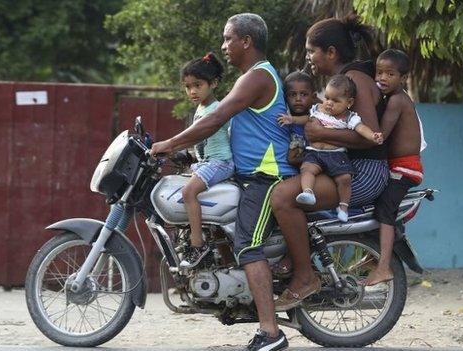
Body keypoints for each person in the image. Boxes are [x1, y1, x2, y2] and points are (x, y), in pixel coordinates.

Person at [150, 13, 291, 351]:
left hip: (267, 176)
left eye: (229, 39)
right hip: (249, 174)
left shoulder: (256, 78)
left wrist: (169, 144)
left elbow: (215, 119)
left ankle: (271, 333)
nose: (224, 46)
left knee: (246, 244)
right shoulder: (249, 78)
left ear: (247, 41)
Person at [271, 16, 389, 312]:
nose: (309, 58)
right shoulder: (345, 80)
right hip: (343, 164)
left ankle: (304, 277)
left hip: (363, 172)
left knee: (284, 198)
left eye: (312, 51)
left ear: (331, 52)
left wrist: (321, 132)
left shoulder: (355, 80)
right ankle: (295, 258)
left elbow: (371, 137)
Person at [278, 75, 383, 223]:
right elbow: (306, 118)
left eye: (335, 101)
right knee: (307, 170)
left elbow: (361, 129)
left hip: (336, 155)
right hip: (314, 153)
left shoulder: (349, 117)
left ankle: (343, 207)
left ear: (349, 103)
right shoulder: (318, 109)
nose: (329, 103)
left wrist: (373, 136)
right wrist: (292, 119)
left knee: (345, 178)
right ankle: (308, 192)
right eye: (327, 98)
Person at [364, 49, 424, 286]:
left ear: (403, 78)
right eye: (379, 72)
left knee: (385, 211)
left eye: (390, 74)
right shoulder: (392, 99)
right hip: (397, 167)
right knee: (373, 208)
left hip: (405, 168)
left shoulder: (397, 100)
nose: (383, 78)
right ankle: (375, 255)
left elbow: (380, 134)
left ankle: (383, 267)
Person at [178, 52, 234, 268]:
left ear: (214, 83)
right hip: (206, 162)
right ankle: (227, 262)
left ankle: (197, 245)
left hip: (220, 162)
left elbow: (200, 136)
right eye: (188, 86)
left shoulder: (217, 109)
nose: (192, 91)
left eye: (197, 85)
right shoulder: (201, 108)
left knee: (188, 192)